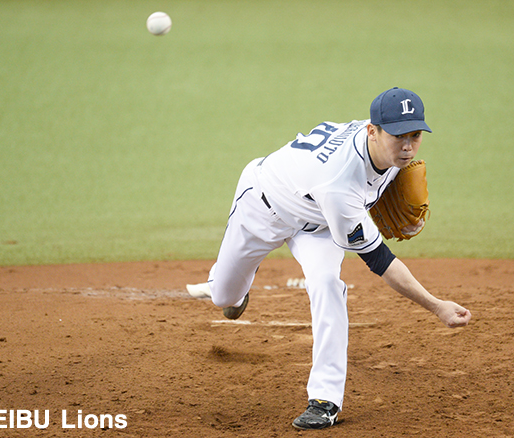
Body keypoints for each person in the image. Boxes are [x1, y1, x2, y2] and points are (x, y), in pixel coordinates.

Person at [187, 87, 472, 430]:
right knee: (224, 296)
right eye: (398, 136)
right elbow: (380, 262)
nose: (408, 146)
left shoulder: (384, 147)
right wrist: (436, 306)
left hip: (319, 224)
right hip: (263, 206)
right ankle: (233, 285)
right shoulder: (340, 184)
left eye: (415, 135)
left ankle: (325, 400)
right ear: (373, 130)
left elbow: (369, 186)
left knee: (326, 284)